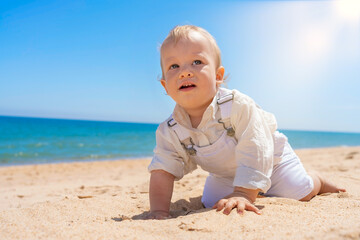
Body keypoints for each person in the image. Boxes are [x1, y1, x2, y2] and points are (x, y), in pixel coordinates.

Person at [147, 25, 346, 220]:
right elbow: (162, 169)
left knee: (299, 191)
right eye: (174, 66)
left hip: (272, 161)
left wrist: (243, 193)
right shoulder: (170, 130)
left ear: (218, 76)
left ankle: (317, 180)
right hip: (225, 174)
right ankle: (253, 188)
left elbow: (256, 146)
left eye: (197, 62)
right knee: (210, 202)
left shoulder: (237, 106)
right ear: (165, 85)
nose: (185, 72)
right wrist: (159, 211)